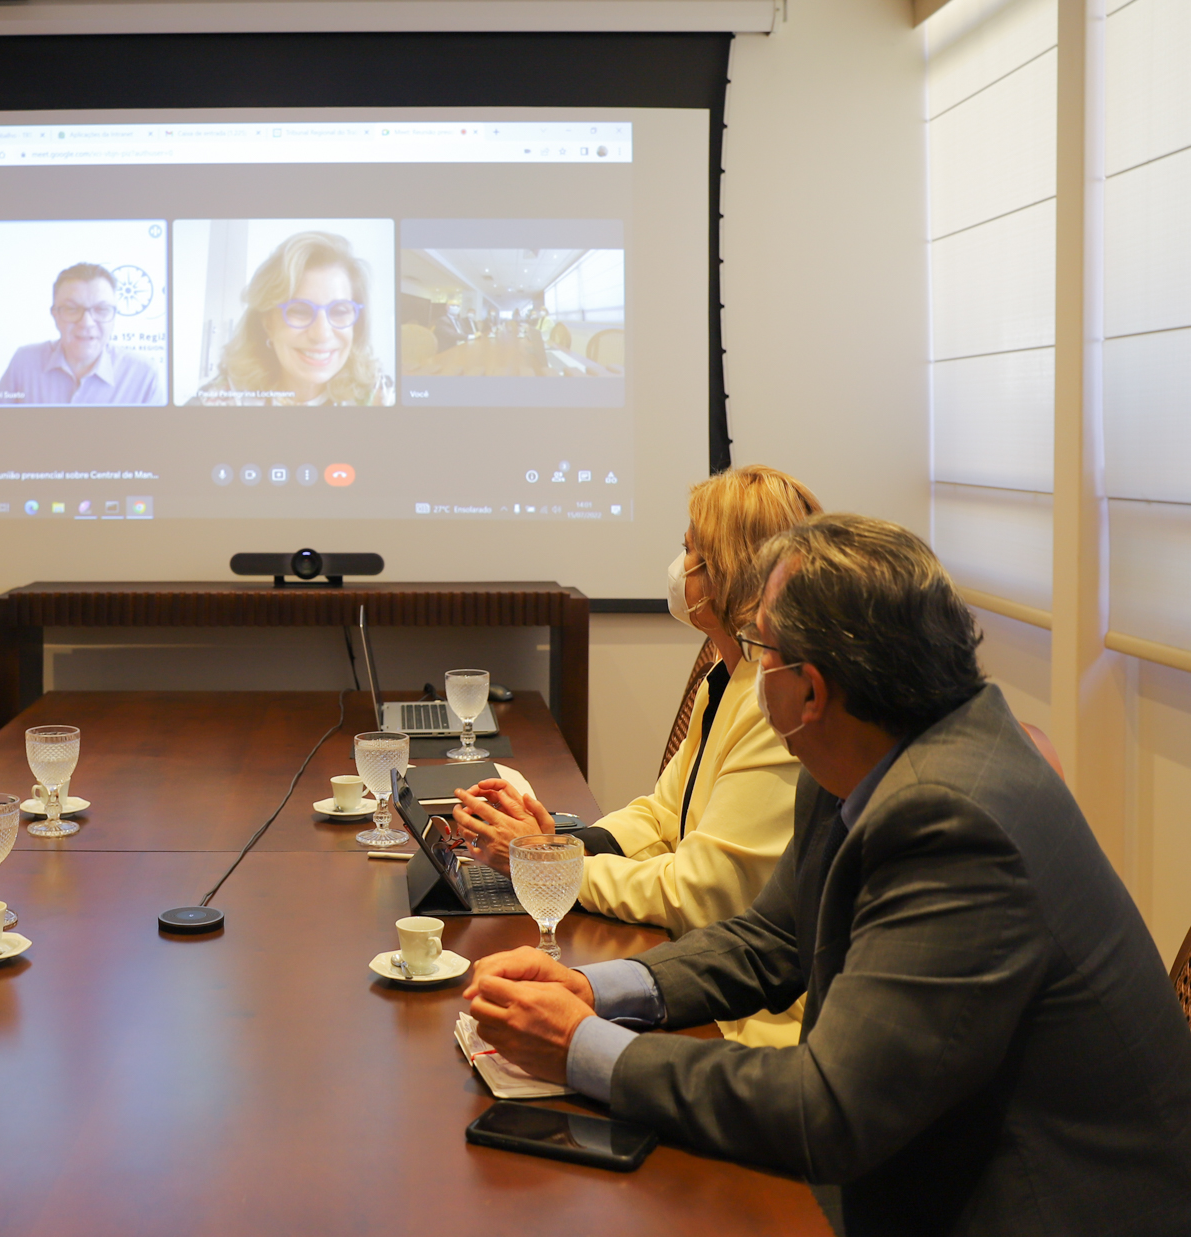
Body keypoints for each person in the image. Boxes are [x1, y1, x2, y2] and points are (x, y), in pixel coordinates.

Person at [461, 514, 1191, 1237]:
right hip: (924, 1158)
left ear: (809, 690)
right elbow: (772, 937)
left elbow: (829, 1112)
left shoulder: (955, 824)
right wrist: (593, 990)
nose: (749, 671)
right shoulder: (864, 748)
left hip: (1028, 1205)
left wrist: (580, 1046)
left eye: (758, 650)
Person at [452, 465, 822, 1046]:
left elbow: (699, 893)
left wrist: (550, 870)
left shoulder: (770, 699)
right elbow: (660, 814)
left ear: (726, 572)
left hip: (747, 1021)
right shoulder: (725, 678)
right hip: (698, 971)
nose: (678, 569)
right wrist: (556, 845)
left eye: (689, 551)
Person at [189, 231, 394, 406]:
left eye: (339, 312)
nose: (321, 334)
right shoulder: (218, 401)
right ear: (267, 322)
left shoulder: (379, 396)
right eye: (300, 311)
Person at [0, 262, 165, 405]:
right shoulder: (24, 362)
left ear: (114, 317)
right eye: (72, 309)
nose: (86, 323)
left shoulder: (144, 375)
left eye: (101, 309)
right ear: (55, 315)